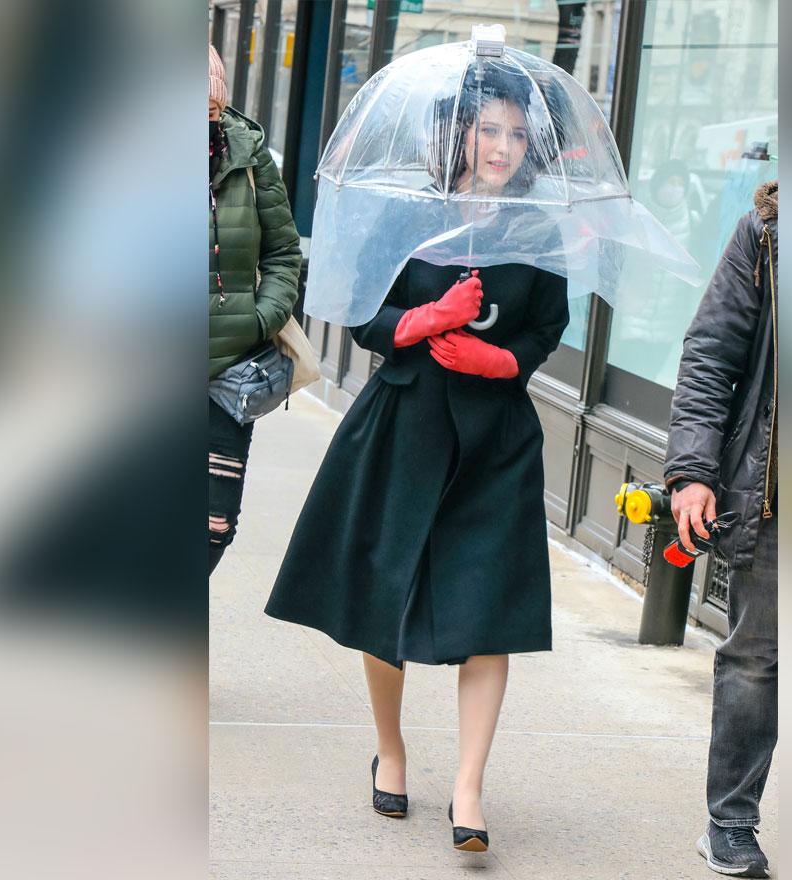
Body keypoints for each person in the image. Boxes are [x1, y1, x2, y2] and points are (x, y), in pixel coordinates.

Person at [265, 64, 569, 854]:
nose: (502, 146)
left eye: (515, 133)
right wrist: (428, 316)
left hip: (495, 441)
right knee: (384, 592)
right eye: (489, 129)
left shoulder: (538, 227)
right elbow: (360, 309)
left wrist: (502, 363)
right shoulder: (408, 211)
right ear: (459, 131)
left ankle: (469, 785)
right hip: (406, 423)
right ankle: (392, 750)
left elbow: (546, 326)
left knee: (491, 612)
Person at [664, 180, 778, 877]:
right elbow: (711, 354)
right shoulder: (769, 233)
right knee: (756, 659)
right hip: (782, 486)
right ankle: (730, 820)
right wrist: (694, 470)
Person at [207, 44, 301, 574]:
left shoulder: (246, 156)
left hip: (227, 378)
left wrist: (257, 319)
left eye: (212, 110)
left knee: (214, 526)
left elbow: (284, 252)